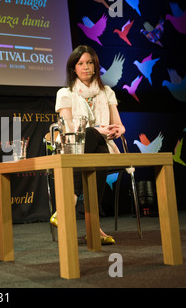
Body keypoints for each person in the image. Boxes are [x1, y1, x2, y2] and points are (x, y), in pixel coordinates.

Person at [51, 45, 126, 245]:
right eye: (80, 63)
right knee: (92, 134)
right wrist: (98, 131)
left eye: (89, 63)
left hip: (100, 143)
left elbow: (118, 123)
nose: (85, 67)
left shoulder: (106, 92)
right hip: (72, 145)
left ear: (95, 66)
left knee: (98, 143)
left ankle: (68, 205)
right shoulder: (65, 93)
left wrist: (119, 130)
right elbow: (69, 127)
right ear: (73, 68)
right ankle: (94, 226)